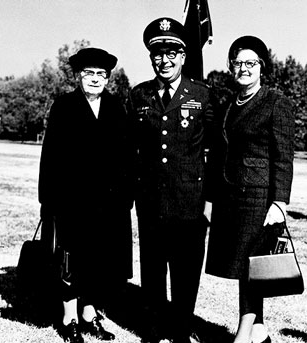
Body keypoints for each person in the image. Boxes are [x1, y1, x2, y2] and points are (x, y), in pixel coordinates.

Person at [128, 17, 215, 343]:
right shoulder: (139, 95)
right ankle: (150, 331)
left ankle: (180, 330)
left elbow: (216, 151)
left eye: (172, 54)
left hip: (190, 203)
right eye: (158, 55)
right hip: (151, 201)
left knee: (186, 272)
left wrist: (209, 202)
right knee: (152, 270)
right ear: (152, 57)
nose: (164, 61)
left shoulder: (202, 95)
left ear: (183, 56)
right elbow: (129, 148)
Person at [38, 47, 134, 343]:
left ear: (108, 78)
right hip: (71, 202)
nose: (95, 79)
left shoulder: (116, 107)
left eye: (101, 74)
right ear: (78, 76)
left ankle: (90, 315)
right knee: (71, 259)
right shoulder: (64, 106)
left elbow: (127, 155)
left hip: (109, 203)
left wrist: (125, 196)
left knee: (100, 261)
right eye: (89, 73)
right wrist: (48, 201)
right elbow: (51, 156)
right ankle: (69, 318)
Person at [205, 36, 295, 343]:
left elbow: (283, 157)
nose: (244, 68)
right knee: (245, 267)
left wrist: (280, 202)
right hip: (231, 197)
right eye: (238, 62)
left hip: (259, 199)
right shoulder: (229, 104)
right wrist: (210, 199)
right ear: (231, 67)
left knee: (249, 268)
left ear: (262, 67)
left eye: (251, 63)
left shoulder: (276, 103)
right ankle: (259, 332)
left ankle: (243, 334)